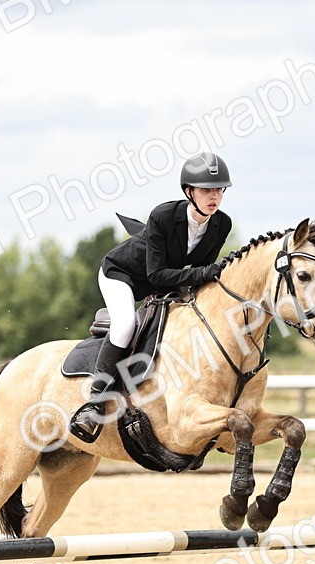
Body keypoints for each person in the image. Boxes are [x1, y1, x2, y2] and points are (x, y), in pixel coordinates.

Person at [67, 152, 235, 443]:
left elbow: (198, 272)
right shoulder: (164, 216)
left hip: (160, 285)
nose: (214, 196)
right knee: (125, 325)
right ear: (188, 192)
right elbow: (159, 274)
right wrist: (205, 273)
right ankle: (94, 403)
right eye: (207, 189)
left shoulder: (222, 224)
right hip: (122, 274)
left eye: (219, 189)